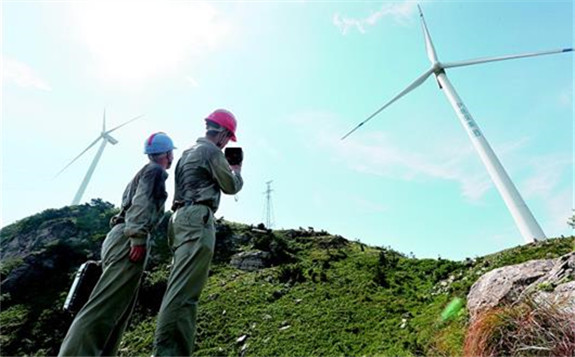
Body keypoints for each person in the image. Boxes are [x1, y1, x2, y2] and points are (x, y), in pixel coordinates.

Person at [58, 132, 176, 356]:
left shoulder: (142, 173)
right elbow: (141, 204)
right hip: (128, 238)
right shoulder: (155, 172)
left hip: (118, 235)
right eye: (171, 154)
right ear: (168, 153)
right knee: (104, 307)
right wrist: (138, 237)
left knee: (118, 309)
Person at [153, 109, 243, 356]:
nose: (227, 144)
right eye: (228, 138)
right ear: (224, 133)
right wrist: (236, 169)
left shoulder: (186, 153)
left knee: (178, 287)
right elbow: (230, 186)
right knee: (185, 295)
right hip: (197, 219)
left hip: (179, 220)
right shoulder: (212, 152)